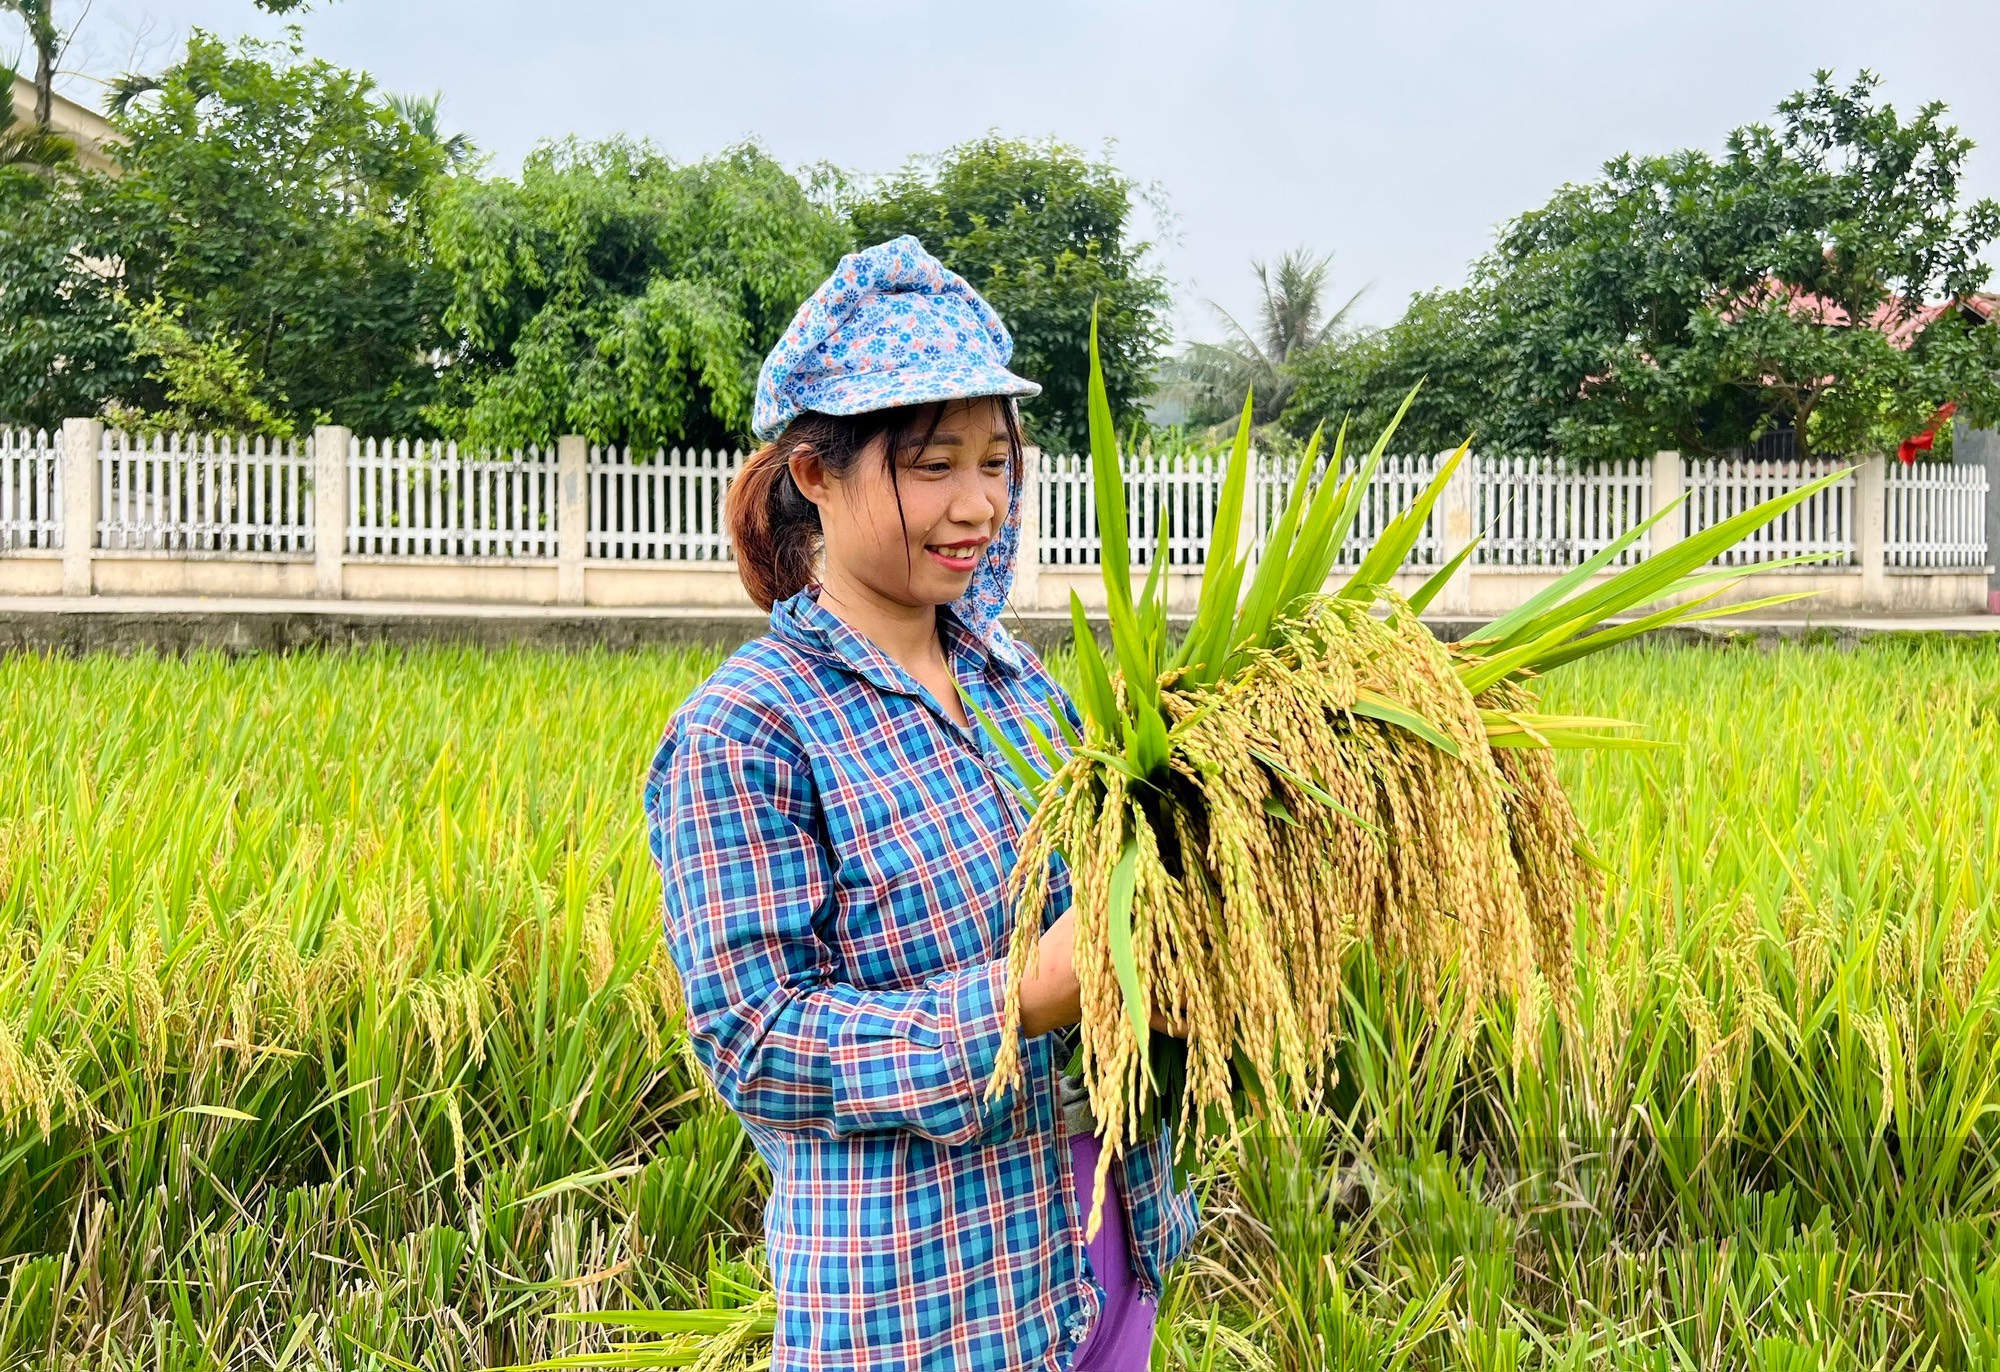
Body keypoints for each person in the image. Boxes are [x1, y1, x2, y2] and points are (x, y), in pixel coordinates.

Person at [642, 235, 1198, 1371]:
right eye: (933, 464)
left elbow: (1111, 905)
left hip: (1097, 1243)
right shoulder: (748, 728)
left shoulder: (1021, 686)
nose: (977, 504)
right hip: (919, 1301)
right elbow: (759, 1040)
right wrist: (1022, 997)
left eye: (995, 461)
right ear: (813, 472)